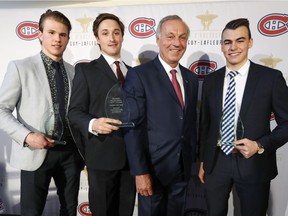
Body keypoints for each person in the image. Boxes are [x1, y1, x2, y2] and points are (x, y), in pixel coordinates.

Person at [198, 18, 288, 216]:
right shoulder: (211, 80)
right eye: (227, 42)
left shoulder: (270, 78)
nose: (233, 47)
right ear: (221, 45)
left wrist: (260, 145)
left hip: (253, 163)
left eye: (240, 40)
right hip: (216, 162)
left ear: (250, 42)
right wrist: (204, 160)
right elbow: (206, 124)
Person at [0, 9, 84, 216]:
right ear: (40, 34)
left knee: (70, 210)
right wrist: (27, 136)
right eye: (52, 32)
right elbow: (1, 109)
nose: (57, 39)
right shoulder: (21, 67)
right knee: (31, 211)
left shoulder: (74, 71)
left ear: (68, 38)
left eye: (62, 34)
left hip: (70, 154)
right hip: (35, 152)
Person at [122, 15, 199, 216]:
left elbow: (190, 123)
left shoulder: (191, 77)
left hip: (182, 170)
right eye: (170, 36)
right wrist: (140, 171)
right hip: (152, 170)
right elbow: (131, 127)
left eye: (182, 37)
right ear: (158, 40)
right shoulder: (139, 75)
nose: (176, 43)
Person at [68, 13, 136, 216]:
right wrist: (93, 123)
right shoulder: (86, 71)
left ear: (123, 36)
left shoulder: (134, 73)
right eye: (105, 33)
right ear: (97, 38)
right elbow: (74, 112)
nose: (112, 38)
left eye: (116, 33)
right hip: (102, 156)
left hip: (132, 158)